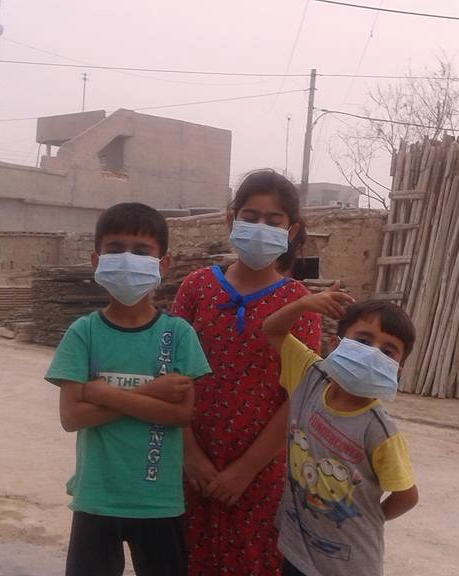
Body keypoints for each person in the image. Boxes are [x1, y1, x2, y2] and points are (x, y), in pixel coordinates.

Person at [45, 202, 212, 576]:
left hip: (158, 501)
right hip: (95, 499)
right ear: (96, 259)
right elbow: (71, 417)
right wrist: (153, 391)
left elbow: (180, 414)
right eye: (115, 248)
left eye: (140, 251)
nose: (126, 258)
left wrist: (102, 393)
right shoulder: (83, 333)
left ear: (163, 265)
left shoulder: (179, 334)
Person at [171, 170, 322, 575]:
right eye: (250, 217)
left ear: (292, 232)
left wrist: (245, 470)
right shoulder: (196, 288)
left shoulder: (299, 303)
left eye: (273, 222)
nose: (260, 227)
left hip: (261, 475)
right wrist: (190, 456)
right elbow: (168, 374)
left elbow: (299, 395)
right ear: (229, 219)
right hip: (189, 467)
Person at [262, 291, 420, 576]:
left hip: (347, 565)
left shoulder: (379, 430)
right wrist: (303, 304)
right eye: (363, 340)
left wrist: (372, 518)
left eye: (388, 350)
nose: (373, 352)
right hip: (297, 547)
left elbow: (407, 495)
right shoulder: (310, 375)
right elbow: (271, 329)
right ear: (337, 344)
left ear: (397, 371)